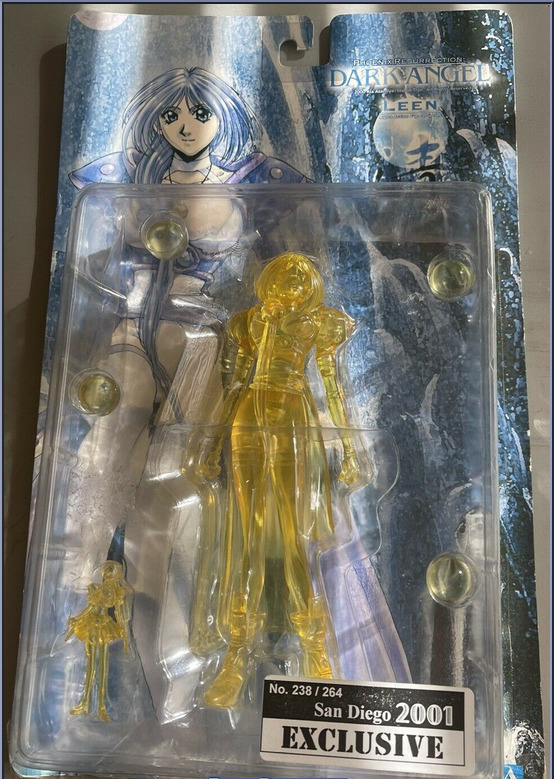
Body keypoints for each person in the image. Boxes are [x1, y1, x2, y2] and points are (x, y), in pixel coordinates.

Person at [186, 252, 364, 708]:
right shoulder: (250, 322)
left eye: (300, 278)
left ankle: (315, 651)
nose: (291, 284)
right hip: (249, 419)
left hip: (293, 421)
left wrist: (350, 449)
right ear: (269, 281)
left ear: (311, 287)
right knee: (244, 536)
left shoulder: (321, 323)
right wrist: (210, 445)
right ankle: (235, 654)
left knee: (292, 535)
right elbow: (233, 387)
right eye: (284, 277)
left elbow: (334, 388)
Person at [69, 67, 309, 188]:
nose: (186, 129)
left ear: (222, 119)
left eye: (201, 115)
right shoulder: (126, 171)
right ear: (157, 125)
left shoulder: (254, 174)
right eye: (171, 116)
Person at [65, 561, 132, 721]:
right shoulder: (99, 588)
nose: (107, 573)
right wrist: (77, 619)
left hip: (102, 626)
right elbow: (90, 607)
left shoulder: (116, 592)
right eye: (106, 570)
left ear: (116, 574)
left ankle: (101, 705)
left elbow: (120, 614)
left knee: (101, 666)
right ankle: (86, 702)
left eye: (110, 571)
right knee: (91, 665)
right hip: (91, 624)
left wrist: (125, 634)